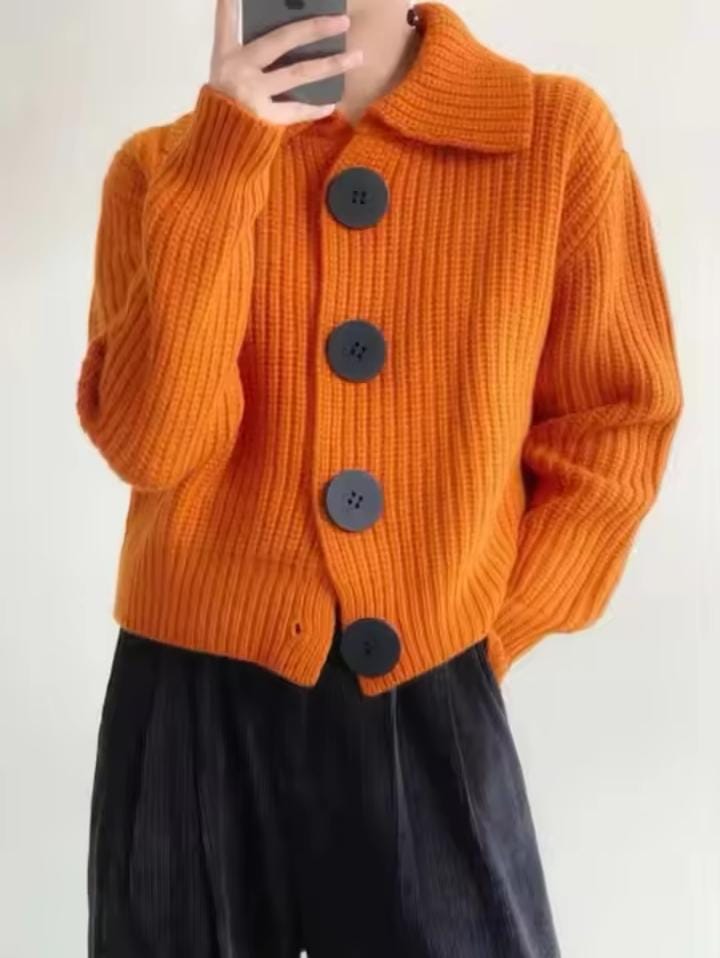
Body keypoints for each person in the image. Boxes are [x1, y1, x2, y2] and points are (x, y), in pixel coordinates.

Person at [76, 0, 683, 955]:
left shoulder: (551, 137)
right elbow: (155, 446)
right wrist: (224, 163)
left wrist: (482, 632)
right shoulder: (163, 169)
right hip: (185, 707)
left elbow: (616, 421)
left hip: (427, 683)